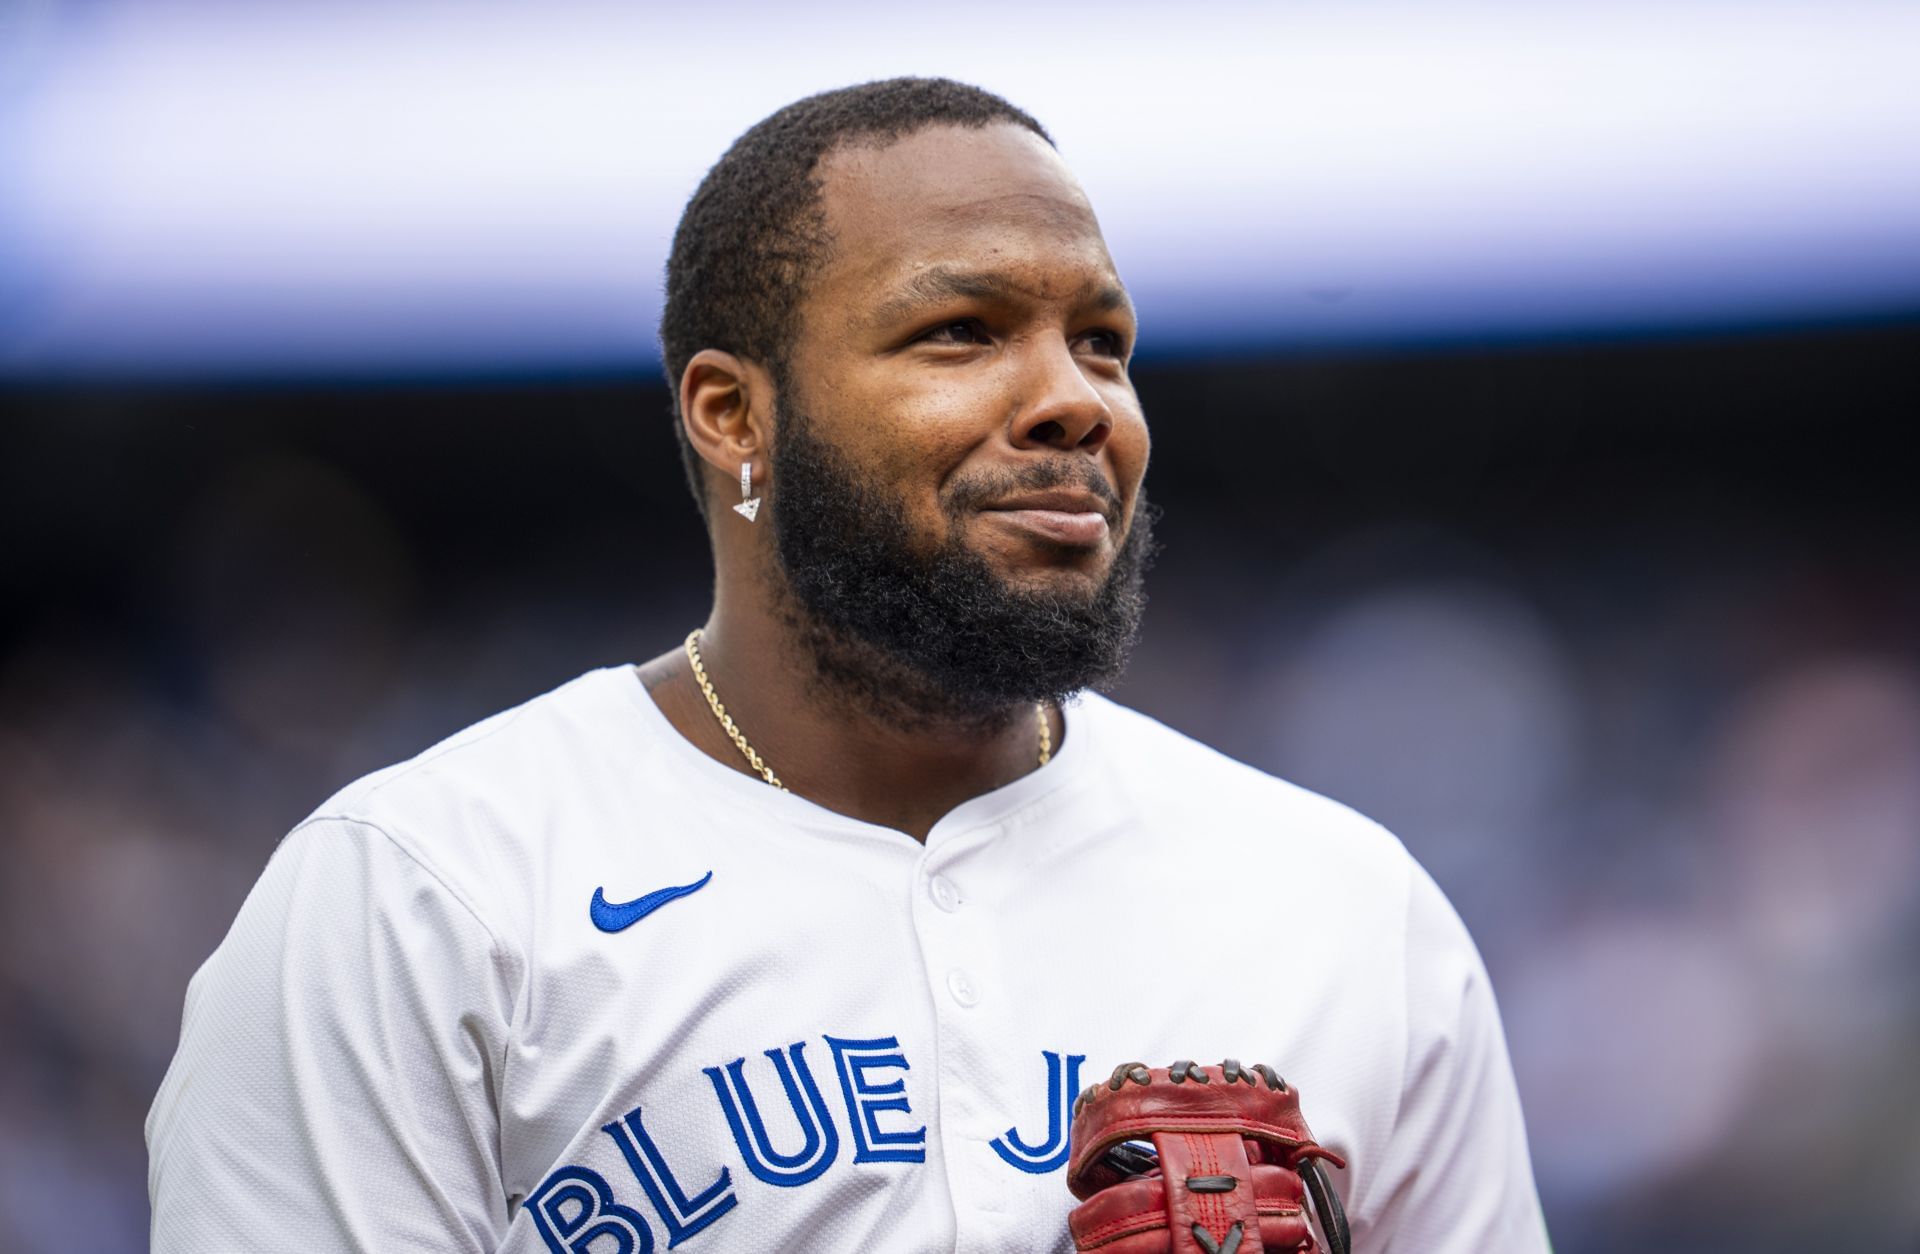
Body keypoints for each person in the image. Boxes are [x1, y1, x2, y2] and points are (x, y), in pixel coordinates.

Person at [147, 77, 1549, 1252]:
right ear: (731, 413)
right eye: (963, 332)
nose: (1075, 400)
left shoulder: (1348, 912)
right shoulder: (423, 893)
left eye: (1103, 342)